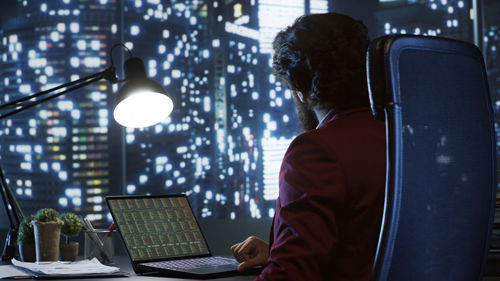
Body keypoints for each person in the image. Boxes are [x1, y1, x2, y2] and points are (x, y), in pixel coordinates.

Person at [231, 13, 386, 281]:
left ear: (300, 89)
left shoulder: (316, 151)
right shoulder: (400, 137)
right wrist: (280, 252)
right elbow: (364, 247)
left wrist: (285, 262)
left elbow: (290, 277)